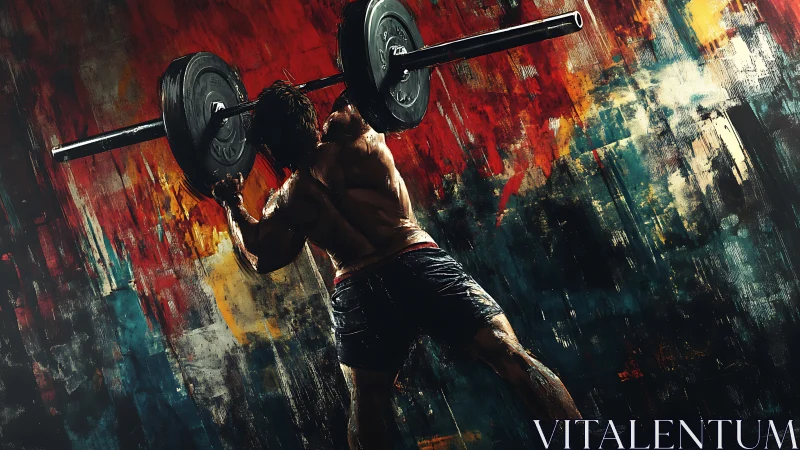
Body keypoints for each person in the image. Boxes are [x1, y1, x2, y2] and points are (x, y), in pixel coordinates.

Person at [212, 81, 582, 449]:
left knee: (367, 407)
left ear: (269, 147)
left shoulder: (285, 202)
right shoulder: (354, 130)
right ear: (307, 117)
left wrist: (231, 202)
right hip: (414, 260)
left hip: (359, 290)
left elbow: (261, 255)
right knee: (507, 354)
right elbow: (376, 80)